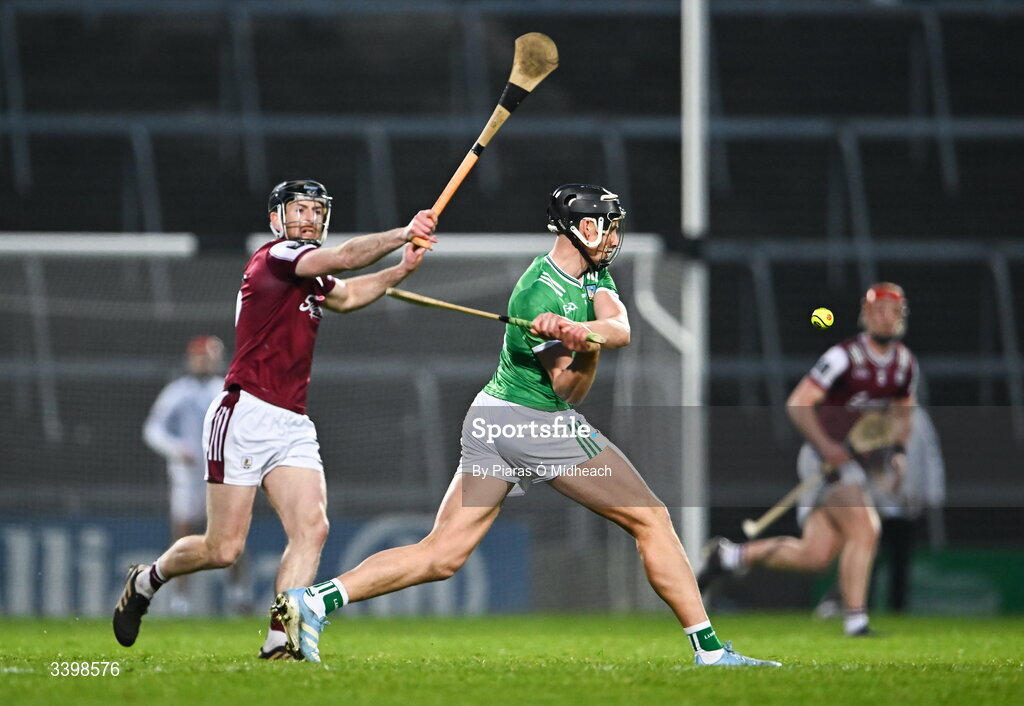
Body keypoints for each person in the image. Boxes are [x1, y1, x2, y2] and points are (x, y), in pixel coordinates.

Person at [271, 184, 780, 667]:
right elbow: (567, 391)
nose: (613, 238)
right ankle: (710, 650)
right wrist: (581, 351)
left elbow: (619, 325)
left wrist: (582, 334)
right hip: (533, 424)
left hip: (491, 419)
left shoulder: (592, 275)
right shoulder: (535, 294)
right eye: (604, 227)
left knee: (442, 554)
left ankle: (313, 600)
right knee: (651, 517)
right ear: (575, 227)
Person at [114, 179, 438, 659]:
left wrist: (400, 270)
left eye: (315, 211)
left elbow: (347, 295)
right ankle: (147, 579)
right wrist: (401, 234)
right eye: (298, 209)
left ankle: (280, 639)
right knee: (222, 549)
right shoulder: (277, 257)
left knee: (313, 528)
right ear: (276, 220)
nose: (308, 218)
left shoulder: (311, 276)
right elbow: (347, 258)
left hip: (292, 422)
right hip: (244, 412)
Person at [699, 283, 917, 636]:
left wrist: (899, 452)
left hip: (851, 463)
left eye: (892, 311)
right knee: (866, 528)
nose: (885, 318)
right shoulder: (843, 357)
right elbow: (798, 402)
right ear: (866, 314)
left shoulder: (905, 363)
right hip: (822, 459)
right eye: (878, 310)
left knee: (814, 556)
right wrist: (827, 445)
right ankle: (856, 621)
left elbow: (904, 413)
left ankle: (729, 557)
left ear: (901, 316)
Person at [143, 334, 249, 615]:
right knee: (182, 536)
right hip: (187, 476)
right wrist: (177, 449)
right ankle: (181, 601)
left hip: (223, 473)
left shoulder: (226, 389)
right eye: (201, 356)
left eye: (210, 356)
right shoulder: (177, 391)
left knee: (231, 536)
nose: (205, 361)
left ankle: (239, 595)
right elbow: (153, 429)